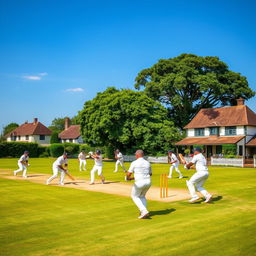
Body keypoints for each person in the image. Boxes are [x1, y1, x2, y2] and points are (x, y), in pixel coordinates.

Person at [126, 150, 152, 219]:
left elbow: (129, 173)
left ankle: (144, 211)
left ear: (137, 155)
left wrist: (127, 178)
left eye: (135, 155)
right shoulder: (147, 163)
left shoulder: (134, 162)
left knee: (134, 196)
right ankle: (143, 212)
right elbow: (150, 174)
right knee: (142, 196)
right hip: (148, 182)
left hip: (139, 182)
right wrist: (132, 178)